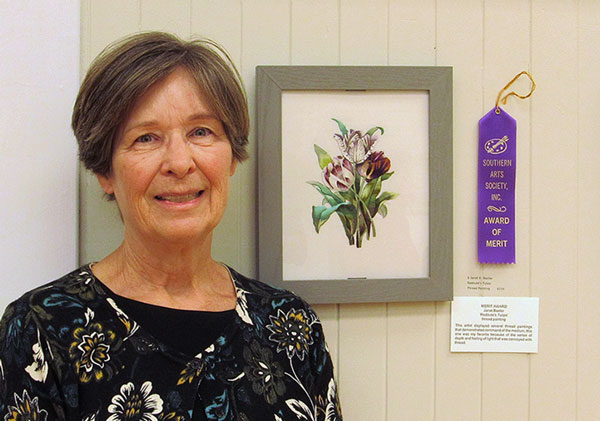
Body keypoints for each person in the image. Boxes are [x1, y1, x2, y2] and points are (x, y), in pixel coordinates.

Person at [0, 32, 342, 421]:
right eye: (146, 137)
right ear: (104, 171)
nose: (179, 162)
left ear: (232, 157)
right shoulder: (41, 330)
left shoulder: (291, 327)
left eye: (201, 132)